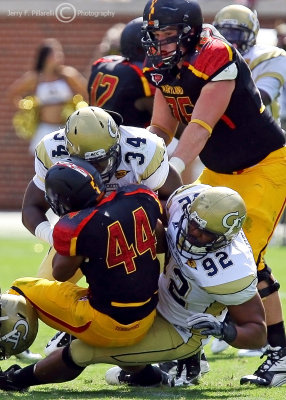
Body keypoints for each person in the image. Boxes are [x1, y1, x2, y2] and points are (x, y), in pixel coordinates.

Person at [141, 0, 286, 387]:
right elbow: (160, 127)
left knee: (242, 253)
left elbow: (202, 125)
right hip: (220, 170)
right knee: (184, 248)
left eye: (167, 34)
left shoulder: (215, 54)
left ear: (188, 31)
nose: (160, 42)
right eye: (155, 34)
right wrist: (140, 163)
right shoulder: (166, 63)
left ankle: (280, 351)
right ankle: (188, 354)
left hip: (264, 164)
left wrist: (169, 170)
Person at [0, 184, 267, 391]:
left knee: (83, 349)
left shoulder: (232, 269)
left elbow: (257, 333)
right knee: (24, 288)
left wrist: (224, 330)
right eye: (193, 223)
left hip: (179, 328)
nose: (193, 233)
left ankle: (15, 379)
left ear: (225, 239)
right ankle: (148, 377)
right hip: (149, 297)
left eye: (205, 233)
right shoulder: (183, 203)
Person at [21, 105, 182, 352]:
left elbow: (173, 201)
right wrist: (57, 237)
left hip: (136, 240)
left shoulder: (144, 149)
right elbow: (31, 206)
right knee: (43, 286)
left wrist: (134, 223)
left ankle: (186, 351)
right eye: (87, 161)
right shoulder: (52, 149)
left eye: (101, 159)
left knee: (171, 292)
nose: (98, 168)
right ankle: (59, 334)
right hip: (84, 235)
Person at [7, 157, 164, 353]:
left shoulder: (78, 226)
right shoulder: (138, 196)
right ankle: (142, 372)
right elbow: (161, 241)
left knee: (19, 288)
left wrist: (80, 242)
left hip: (105, 323)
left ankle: (13, 346)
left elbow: (60, 274)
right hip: (147, 316)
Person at [210, 4, 286, 357]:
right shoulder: (209, 59)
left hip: (264, 159)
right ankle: (266, 340)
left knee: (245, 251)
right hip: (226, 162)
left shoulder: (270, 57)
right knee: (203, 240)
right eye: (226, 33)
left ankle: (261, 336)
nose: (232, 41)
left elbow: (261, 99)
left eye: (238, 35)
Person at [7, 38, 88, 155]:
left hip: (66, 129)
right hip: (44, 129)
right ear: (46, 57)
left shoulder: (67, 75)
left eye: (61, 53)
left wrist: (81, 111)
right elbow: (13, 93)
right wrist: (27, 110)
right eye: (56, 54)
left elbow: (86, 92)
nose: (60, 57)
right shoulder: (35, 78)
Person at [88, 17, 155, 128]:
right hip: (130, 141)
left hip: (98, 133)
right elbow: (165, 123)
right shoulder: (138, 75)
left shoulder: (102, 63)